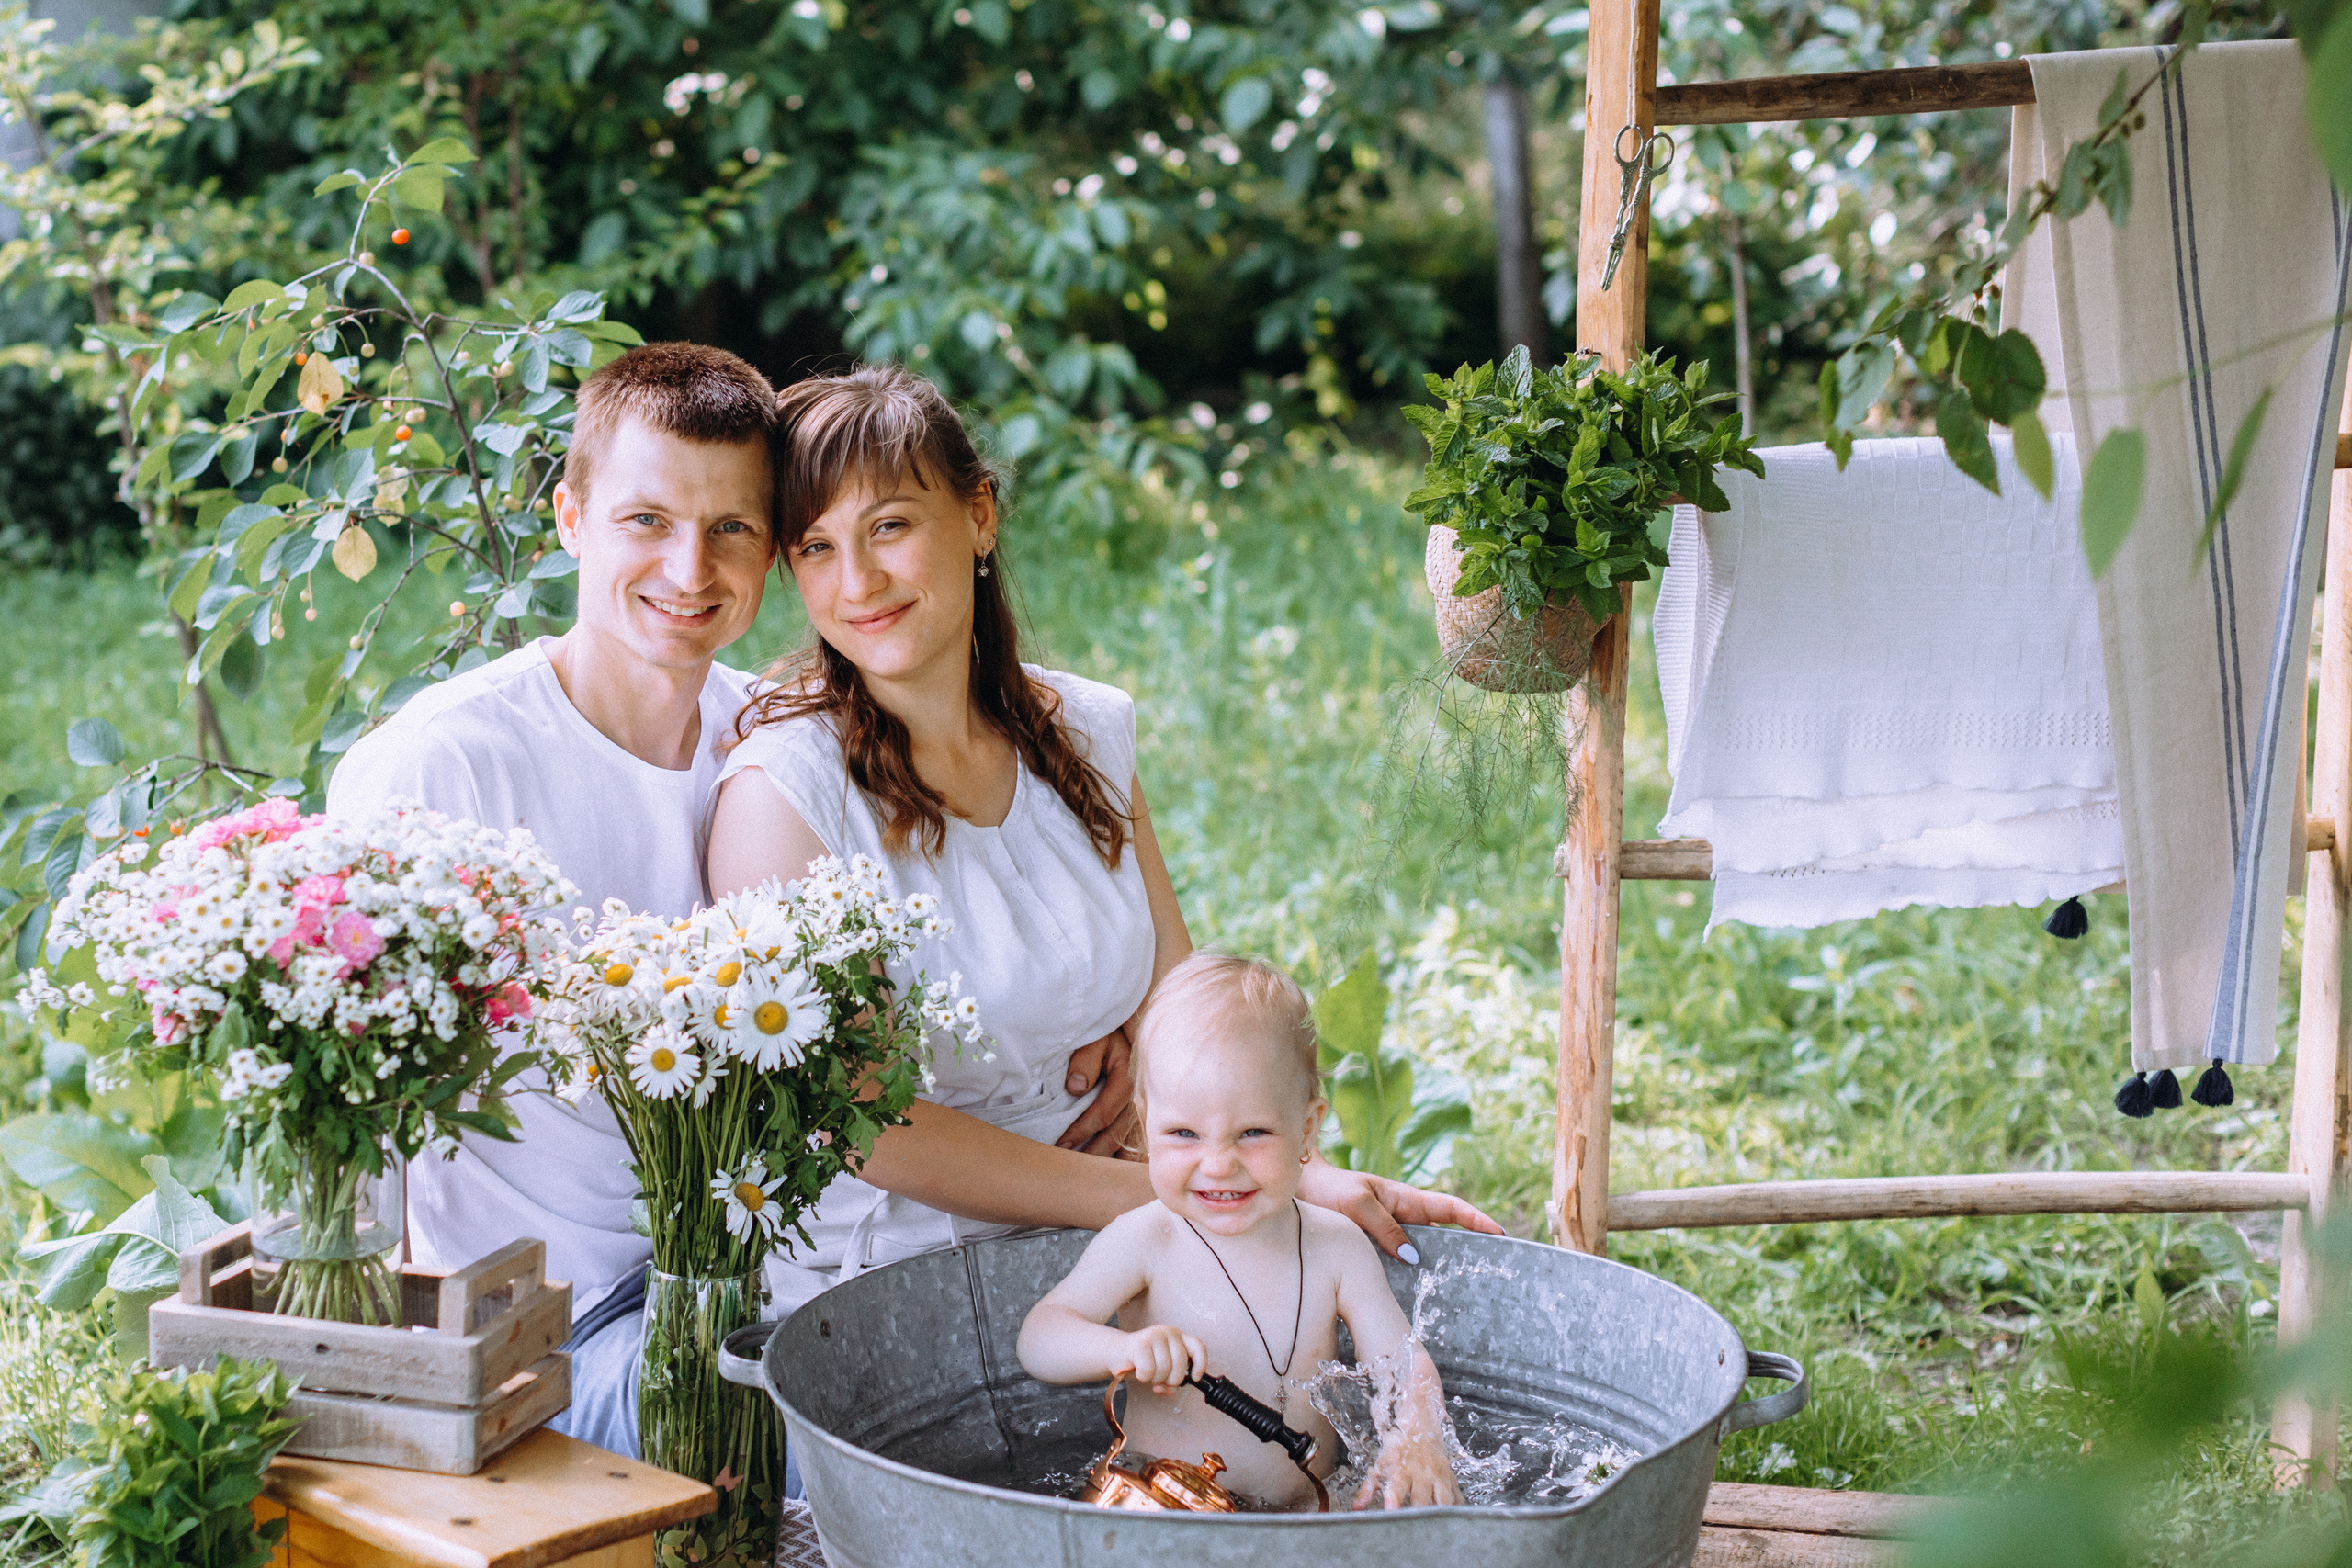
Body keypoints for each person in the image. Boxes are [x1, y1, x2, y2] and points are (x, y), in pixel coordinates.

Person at [325, 344, 1132, 1459]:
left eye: (732, 531)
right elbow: (345, 1121)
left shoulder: (768, 744)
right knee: (927, 1453)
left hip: (757, 1285)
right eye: (645, 521)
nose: (689, 569)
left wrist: (1126, 1017)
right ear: (569, 519)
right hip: (564, 1333)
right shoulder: (442, 773)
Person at [705, 364, 1499, 1316]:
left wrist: (1279, 1170)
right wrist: (1201, 1197)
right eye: (818, 548)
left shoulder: (1080, 729)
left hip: (1135, 1222)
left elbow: (1182, 1005)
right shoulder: (783, 795)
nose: (859, 581)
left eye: (890, 526)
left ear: (980, 515)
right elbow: (869, 1128)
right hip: (901, 1270)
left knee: (1370, 1339)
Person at [1015, 952, 1462, 1511]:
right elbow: (1040, 1338)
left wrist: (1417, 1439)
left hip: (1307, 1514)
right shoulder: (1147, 1241)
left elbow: (1398, 1359)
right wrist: (1123, 1348)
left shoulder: (1336, 1247)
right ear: (1145, 1122)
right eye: (1183, 1133)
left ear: (1306, 1128)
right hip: (1164, 1511)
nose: (1219, 1163)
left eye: (1252, 1132)